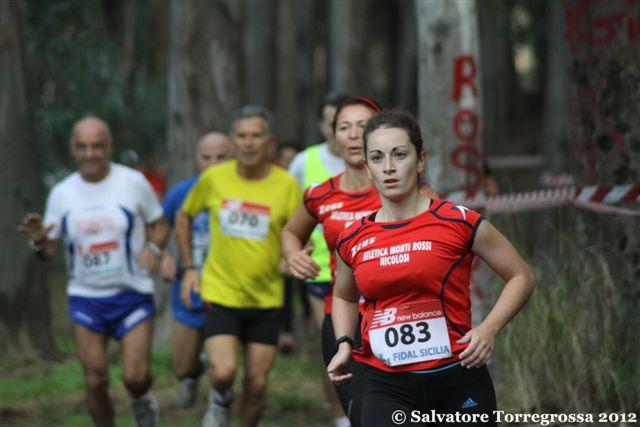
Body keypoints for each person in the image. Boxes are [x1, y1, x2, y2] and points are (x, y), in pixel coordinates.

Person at [327, 110, 536, 426]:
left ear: (420, 160)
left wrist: (488, 329)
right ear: (367, 168)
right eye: (377, 158)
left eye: (399, 154)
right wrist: (344, 342)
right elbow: (344, 296)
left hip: (457, 375)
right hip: (385, 384)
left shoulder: (458, 221)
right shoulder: (353, 237)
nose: (388, 167)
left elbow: (521, 276)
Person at [18, 116, 169, 427]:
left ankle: (140, 399)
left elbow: (160, 223)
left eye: (97, 146)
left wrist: (154, 249)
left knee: (136, 377)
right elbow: (49, 251)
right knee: (95, 378)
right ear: (73, 149)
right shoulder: (62, 193)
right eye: (83, 147)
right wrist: (39, 240)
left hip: (131, 293)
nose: (90, 154)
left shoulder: (133, 182)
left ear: (109, 147)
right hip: (86, 298)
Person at [175, 105, 301, 427]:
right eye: (242, 136)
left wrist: (293, 255)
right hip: (221, 294)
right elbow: (184, 215)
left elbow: (299, 231)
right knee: (223, 371)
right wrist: (189, 267)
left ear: (269, 142)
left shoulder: (286, 185)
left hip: (267, 299)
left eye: (256, 135)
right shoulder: (214, 178)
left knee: (256, 385)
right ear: (232, 141)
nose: (248, 143)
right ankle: (220, 398)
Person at [282, 97, 383, 427]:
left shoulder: (403, 189)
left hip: (397, 313)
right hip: (342, 315)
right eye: (344, 127)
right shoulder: (320, 194)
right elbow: (290, 232)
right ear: (332, 135)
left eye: (363, 126)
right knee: (359, 413)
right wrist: (293, 255)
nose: (353, 135)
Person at [160, 132, 232, 408]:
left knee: (223, 366)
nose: (213, 164)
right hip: (190, 288)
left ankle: (220, 402)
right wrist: (165, 256)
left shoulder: (241, 190)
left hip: (227, 290)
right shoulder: (181, 193)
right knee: (182, 367)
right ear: (196, 159)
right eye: (206, 157)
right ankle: (194, 370)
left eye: (221, 157)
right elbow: (158, 228)